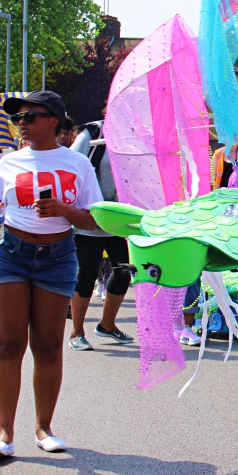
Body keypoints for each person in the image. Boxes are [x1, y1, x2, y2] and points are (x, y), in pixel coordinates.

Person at [0, 91, 103, 456]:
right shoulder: (6, 163)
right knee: (8, 343)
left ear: (53, 120)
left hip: (58, 256)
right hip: (11, 253)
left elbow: (93, 218)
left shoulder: (77, 164)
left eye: (30, 116)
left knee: (47, 345)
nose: (22, 123)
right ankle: (4, 433)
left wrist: (62, 208)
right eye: (18, 118)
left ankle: (44, 428)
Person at [68, 118, 134, 350]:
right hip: (90, 216)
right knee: (86, 274)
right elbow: (72, 163)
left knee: (124, 270)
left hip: (117, 218)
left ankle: (107, 324)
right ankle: (77, 332)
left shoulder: (135, 132)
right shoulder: (94, 130)